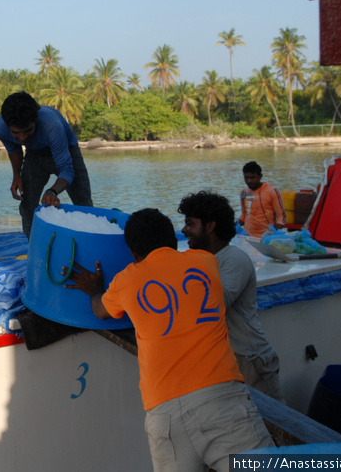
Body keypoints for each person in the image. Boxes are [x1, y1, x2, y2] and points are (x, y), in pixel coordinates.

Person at [68, 208, 274, 472]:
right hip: (222, 401)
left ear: (132, 252)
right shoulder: (205, 261)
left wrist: (95, 289)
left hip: (164, 415)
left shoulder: (126, 280)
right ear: (173, 239)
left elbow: (100, 311)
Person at [179, 190, 285, 403]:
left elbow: (216, 303)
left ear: (210, 226)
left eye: (190, 224)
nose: (184, 230)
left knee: (272, 429)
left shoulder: (234, 259)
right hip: (226, 360)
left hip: (250, 359)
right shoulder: (203, 259)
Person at [0, 91, 93, 238]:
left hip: (66, 151)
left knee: (83, 204)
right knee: (27, 205)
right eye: (16, 133)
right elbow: (14, 149)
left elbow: (67, 170)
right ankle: (35, 248)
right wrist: (16, 176)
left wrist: (52, 191)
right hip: (34, 154)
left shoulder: (52, 127)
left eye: (28, 131)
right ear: (7, 126)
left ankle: (88, 245)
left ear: (36, 121)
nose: (22, 137)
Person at [238, 161, 286, 237]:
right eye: (246, 177)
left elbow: (281, 217)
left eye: (253, 177)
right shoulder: (243, 192)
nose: (249, 181)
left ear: (260, 176)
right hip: (248, 236)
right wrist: (233, 226)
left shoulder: (272, 191)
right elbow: (244, 215)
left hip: (266, 236)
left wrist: (273, 234)